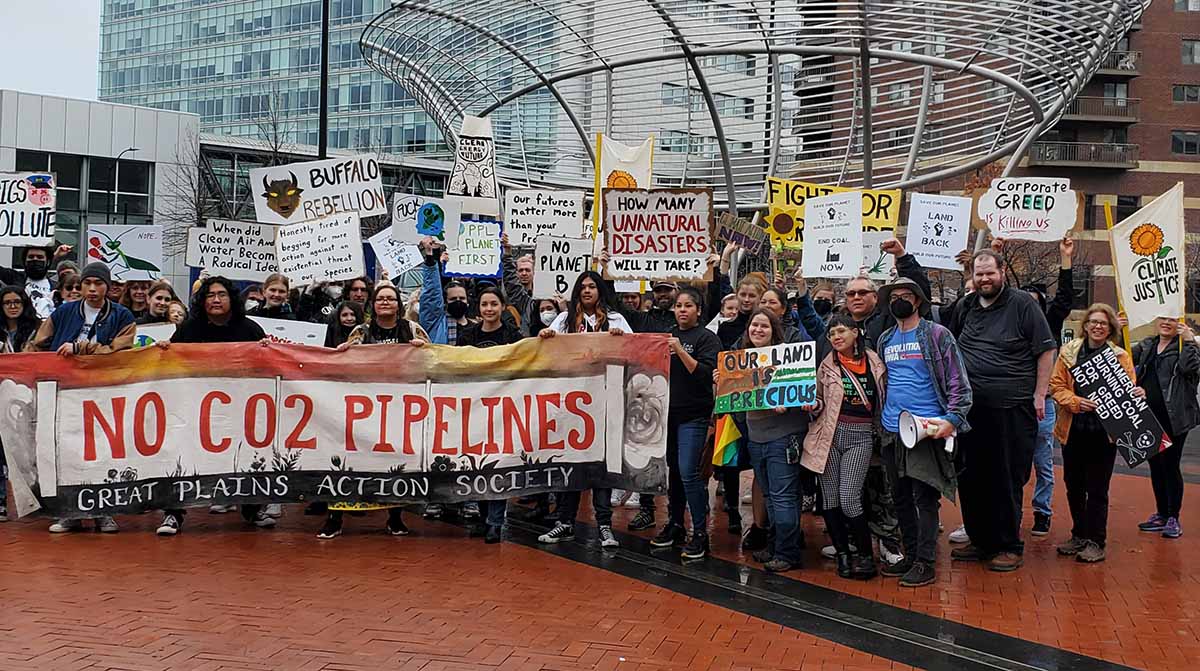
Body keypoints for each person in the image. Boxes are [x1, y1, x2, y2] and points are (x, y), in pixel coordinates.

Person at [948, 250, 1056, 572]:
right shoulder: (965, 306)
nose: (984, 279)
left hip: (1011, 408)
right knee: (971, 477)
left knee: (1005, 478)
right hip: (970, 410)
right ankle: (980, 539)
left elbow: (1046, 350)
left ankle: (1008, 544)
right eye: (978, 274)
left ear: (1002, 271)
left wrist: (1039, 394)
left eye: (989, 273)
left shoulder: (1023, 304)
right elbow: (948, 344)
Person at [154, 276, 273, 536]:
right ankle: (173, 514)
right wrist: (164, 349)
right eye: (210, 295)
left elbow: (267, 366)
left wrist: (268, 350)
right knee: (182, 457)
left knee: (246, 457)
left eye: (221, 294)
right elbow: (171, 359)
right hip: (195, 408)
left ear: (231, 299)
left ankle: (252, 509)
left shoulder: (250, 329)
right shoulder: (189, 329)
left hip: (239, 410)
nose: (216, 300)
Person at [876, 278, 973, 587]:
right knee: (900, 498)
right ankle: (911, 553)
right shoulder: (885, 339)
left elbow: (958, 381)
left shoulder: (936, 335)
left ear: (917, 301)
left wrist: (953, 419)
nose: (899, 301)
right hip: (892, 430)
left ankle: (926, 562)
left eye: (905, 296)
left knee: (925, 499)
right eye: (893, 297)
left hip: (926, 430)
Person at [26, 262, 136, 534]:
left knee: (104, 450)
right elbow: (38, 343)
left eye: (98, 283)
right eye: (87, 283)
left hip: (105, 392)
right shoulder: (64, 312)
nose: (92, 289)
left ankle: (104, 512)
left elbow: (119, 352)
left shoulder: (122, 316)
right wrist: (24, 367)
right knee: (67, 451)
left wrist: (81, 347)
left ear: (107, 287)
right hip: (65, 392)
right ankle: (69, 512)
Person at [319, 283, 427, 538]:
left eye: (391, 298)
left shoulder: (411, 329)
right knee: (348, 460)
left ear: (398, 305)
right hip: (362, 407)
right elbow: (344, 362)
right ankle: (334, 517)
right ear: (373, 304)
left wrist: (422, 350)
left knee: (396, 463)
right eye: (380, 299)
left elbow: (431, 358)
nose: (385, 302)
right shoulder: (360, 331)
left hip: (398, 408)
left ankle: (395, 517)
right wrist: (342, 353)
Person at [536, 270, 632, 549]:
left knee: (601, 467)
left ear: (601, 290)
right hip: (571, 407)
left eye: (592, 286)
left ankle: (604, 525)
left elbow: (635, 351)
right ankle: (564, 522)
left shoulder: (616, 320)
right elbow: (547, 352)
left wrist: (619, 339)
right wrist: (545, 336)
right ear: (576, 292)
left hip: (604, 405)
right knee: (571, 465)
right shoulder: (564, 320)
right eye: (583, 287)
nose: (588, 291)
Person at [1050, 304, 1138, 563]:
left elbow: (1128, 389)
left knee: (1098, 488)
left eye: (1104, 323)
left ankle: (1096, 541)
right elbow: (1056, 386)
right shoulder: (1068, 353)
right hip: (1074, 429)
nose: (1098, 326)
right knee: (1073, 486)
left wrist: (1136, 394)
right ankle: (1079, 534)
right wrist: (1076, 402)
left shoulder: (1121, 356)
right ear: (1085, 325)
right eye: (1094, 322)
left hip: (1104, 433)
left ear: (1111, 328)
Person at [804, 313, 885, 580]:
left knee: (850, 498)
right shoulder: (826, 366)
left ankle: (865, 554)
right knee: (830, 498)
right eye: (831, 334)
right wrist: (812, 405)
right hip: (828, 436)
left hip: (860, 436)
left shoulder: (874, 362)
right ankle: (842, 554)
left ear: (855, 333)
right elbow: (817, 400)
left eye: (841, 331)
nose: (836, 337)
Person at [649, 287, 721, 559]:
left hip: (694, 415)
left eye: (688, 306)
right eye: (679, 305)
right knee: (675, 473)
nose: (682, 310)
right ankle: (676, 523)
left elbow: (703, 374)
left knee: (690, 472)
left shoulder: (707, 339)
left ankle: (700, 532)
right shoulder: (666, 335)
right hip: (669, 414)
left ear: (699, 311)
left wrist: (679, 349)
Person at [734, 308, 808, 572]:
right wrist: (721, 382)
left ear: (774, 330)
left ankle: (788, 553)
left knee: (783, 496)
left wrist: (787, 402)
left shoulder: (789, 359)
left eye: (764, 326)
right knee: (769, 495)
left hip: (784, 436)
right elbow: (730, 401)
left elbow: (804, 396)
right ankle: (777, 546)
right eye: (754, 325)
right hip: (757, 437)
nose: (758, 330)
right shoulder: (741, 359)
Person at [456, 285, 524, 543]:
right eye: (484, 304)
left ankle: (496, 521)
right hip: (474, 409)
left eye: (494, 304)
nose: (489, 309)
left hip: (504, 409)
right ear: (479, 308)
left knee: (500, 463)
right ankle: (485, 518)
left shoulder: (513, 335)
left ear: (502, 306)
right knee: (477, 463)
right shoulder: (467, 335)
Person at [1130, 317, 1200, 540]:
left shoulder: (1183, 346)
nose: (1166, 323)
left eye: (1172, 319)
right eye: (1163, 318)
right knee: (1156, 465)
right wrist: (1118, 328)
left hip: (1175, 416)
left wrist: (1189, 342)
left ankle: (1173, 517)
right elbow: (1123, 355)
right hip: (1149, 416)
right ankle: (1161, 513)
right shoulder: (1148, 345)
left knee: (1170, 465)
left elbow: (1190, 369)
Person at [0, 285, 42, 521]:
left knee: (27, 449)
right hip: (1, 395)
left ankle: (35, 498)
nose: (13, 306)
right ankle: (1, 503)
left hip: (28, 396)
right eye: (8, 303)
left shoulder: (35, 330)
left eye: (17, 302)